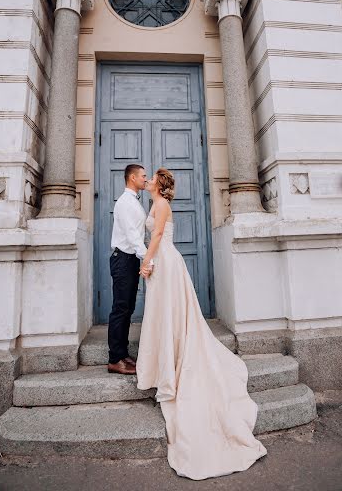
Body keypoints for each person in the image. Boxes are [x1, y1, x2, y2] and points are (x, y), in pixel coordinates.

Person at [136, 167, 268, 480]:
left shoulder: (161, 205)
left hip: (164, 262)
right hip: (165, 262)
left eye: (152, 177)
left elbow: (156, 236)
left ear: (159, 184)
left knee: (170, 314)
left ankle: (176, 362)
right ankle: (169, 359)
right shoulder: (154, 204)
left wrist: (146, 261)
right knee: (165, 314)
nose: (149, 181)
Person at [107, 164, 153, 375]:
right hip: (123, 259)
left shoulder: (133, 201)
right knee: (120, 308)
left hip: (130, 260)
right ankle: (115, 359)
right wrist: (148, 259)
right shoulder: (125, 203)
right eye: (143, 176)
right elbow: (133, 236)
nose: (146, 178)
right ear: (132, 177)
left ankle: (123, 353)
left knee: (127, 308)